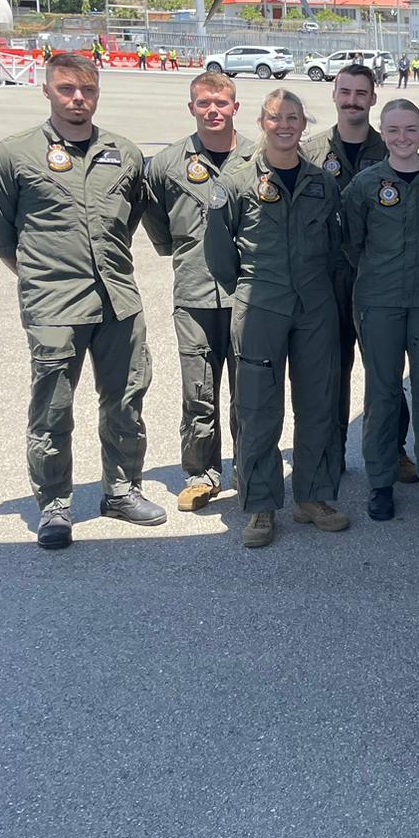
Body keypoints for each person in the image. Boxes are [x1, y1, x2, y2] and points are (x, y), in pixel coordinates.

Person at [0, 53, 165, 549]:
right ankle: (55, 505)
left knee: (125, 400)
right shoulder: (13, 155)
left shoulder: (123, 152)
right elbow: (0, 235)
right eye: (66, 89)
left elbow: (127, 221)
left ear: (98, 92)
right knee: (53, 409)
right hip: (54, 305)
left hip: (118, 300)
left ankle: (121, 490)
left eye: (87, 89)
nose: (77, 98)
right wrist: (41, 277)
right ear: (47, 91)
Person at [204, 90, 348, 548]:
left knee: (319, 403)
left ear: (304, 123)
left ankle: (313, 496)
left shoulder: (323, 183)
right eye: (275, 117)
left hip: (314, 307)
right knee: (258, 409)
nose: (284, 125)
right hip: (261, 305)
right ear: (262, 122)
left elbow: (333, 248)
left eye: (293, 117)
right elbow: (218, 253)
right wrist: (256, 288)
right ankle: (261, 506)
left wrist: (309, 289)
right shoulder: (237, 181)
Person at [345, 99, 419, 520]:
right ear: (383, 131)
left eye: (410, 129)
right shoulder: (364, 185)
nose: (402, 138)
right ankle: (380, 482)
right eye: (393, 130)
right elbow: (352, 243)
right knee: (382, 392)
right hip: (379, 301)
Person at [142, 71, 254, 512]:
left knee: (250, 392)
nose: (213, 111)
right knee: (199, 391)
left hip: (246, 293)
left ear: (235, 108)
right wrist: (178, 250)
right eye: (204, 103)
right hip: (193, 295)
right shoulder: (168, 163)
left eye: (221, 103)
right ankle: (201, 474)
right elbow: (156, 218)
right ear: (191, 107)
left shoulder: (256, 158)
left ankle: (249, 470)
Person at [301, 66, 411, 479]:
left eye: (360, 93)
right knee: (329, 371)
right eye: (345, 91)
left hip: (378, 280)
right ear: (334, 95)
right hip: (326, 281)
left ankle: (394, 450)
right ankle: (331, 453)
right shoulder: (310, 151)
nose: (352, 100)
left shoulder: (395, 149)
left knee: (385, 371)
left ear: (372, 99)